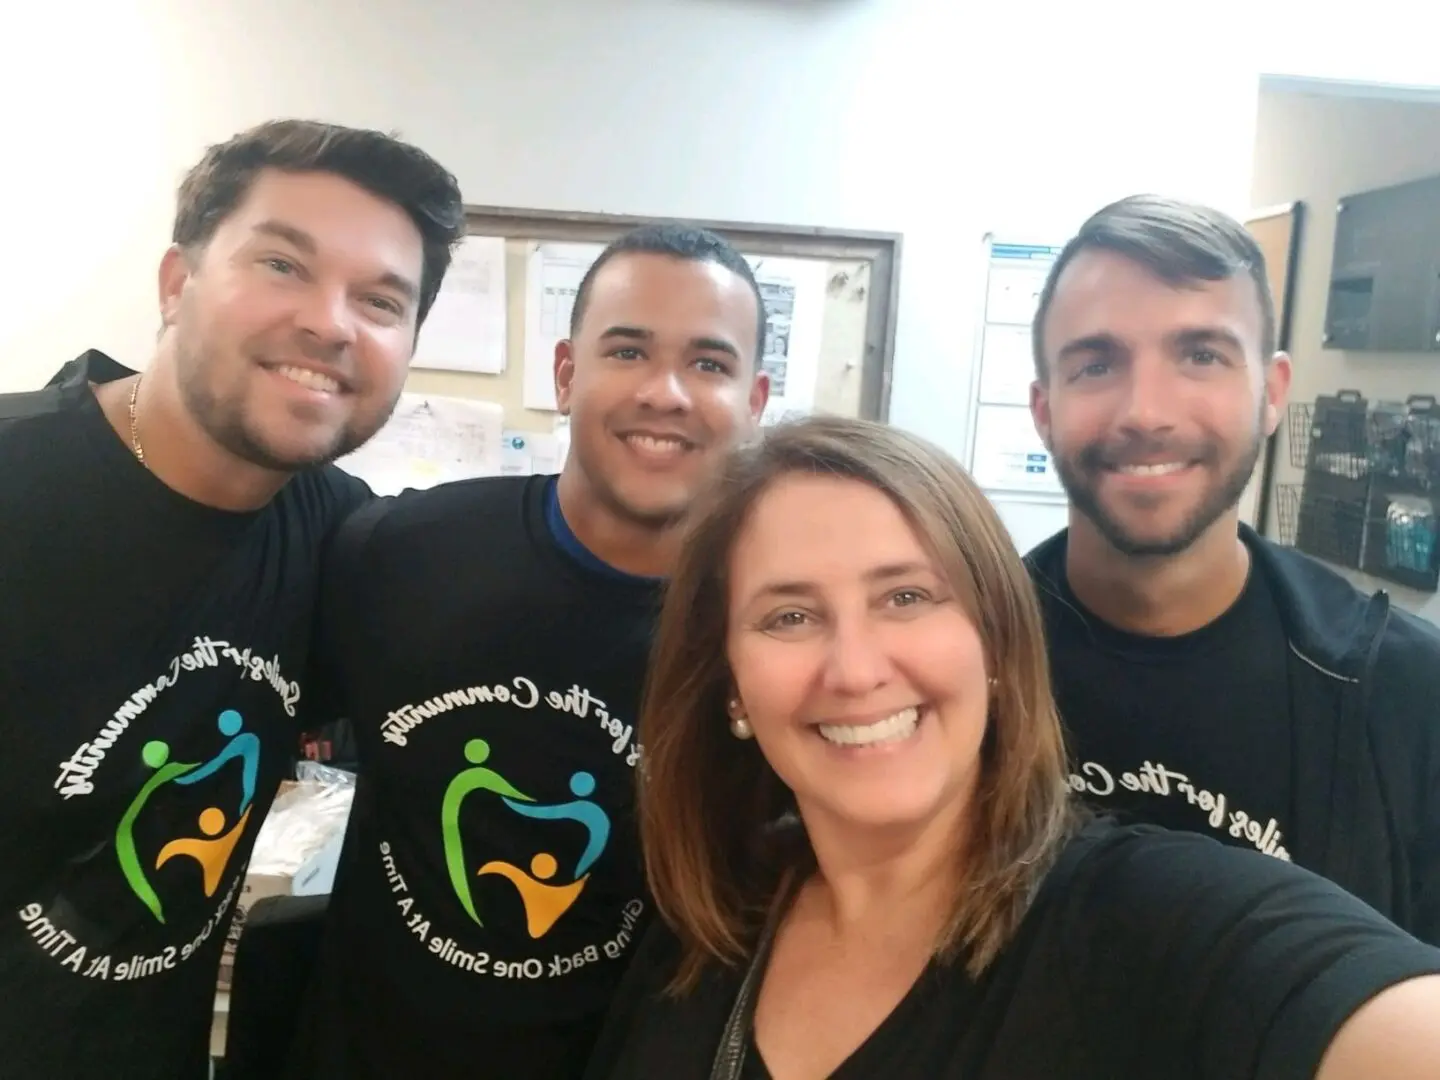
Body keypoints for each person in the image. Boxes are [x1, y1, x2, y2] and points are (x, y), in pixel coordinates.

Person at [581, 415, 1440, 1080]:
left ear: (995, 643)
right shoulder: (707, 932)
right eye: (790, 617)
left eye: (907, 597)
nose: (854, 669)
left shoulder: (1146, 920)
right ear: (731, 682)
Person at [0, 118, 465, 1079]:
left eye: (381, 300)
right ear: (177, 283)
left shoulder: (344, 540)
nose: (332, 323)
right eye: (284, 265)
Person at [285, 224, 771, 1079]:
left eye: (709, 364)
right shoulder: (401, 552)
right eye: (626, 350)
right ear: (565, 373)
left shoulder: (773, 637)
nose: (665, 392)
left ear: (755, 401)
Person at [1023, 195, 1440, 943]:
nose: (1146, 411)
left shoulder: (1406, 694)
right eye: (1096, 363)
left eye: (1201, 355)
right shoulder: (960, 662)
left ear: (1272, 393)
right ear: (1044, 408)